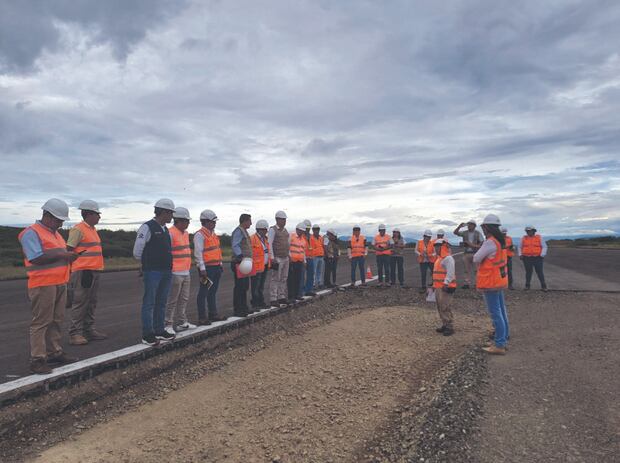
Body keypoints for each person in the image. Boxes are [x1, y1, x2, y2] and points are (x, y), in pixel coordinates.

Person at [18, 199, 79, 374]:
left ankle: (54, 352)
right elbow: (35, 257)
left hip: (60, 282)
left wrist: (67, 256)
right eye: (58, 220)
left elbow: (57, 255)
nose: (60, 223)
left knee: (57, 319)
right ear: (47, 215)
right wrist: (62, 254)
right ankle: (37, 359)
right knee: (41, 322)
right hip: (42, 283)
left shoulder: (56, 234)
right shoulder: (31, 233)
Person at [133, 199, 177, 346]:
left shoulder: (165, 230)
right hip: (152, 270)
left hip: (166, 270)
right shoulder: (147, 227)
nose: (172, 216)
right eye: (171, 213)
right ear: (163, 212)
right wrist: (145, 263)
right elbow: (137, 249)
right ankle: (148, 333)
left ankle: (159, 330)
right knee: (149, 302)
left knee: (161, 302)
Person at [67, 200, 107, 346]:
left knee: (91, 302)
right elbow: (69, 250)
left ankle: (88, 330)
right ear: (89, 214)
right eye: (97, 214)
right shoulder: (78, 229)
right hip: (83, 271)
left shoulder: (92, 229)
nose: (99, 217)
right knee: (80, 303)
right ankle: (75, 334)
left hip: (94, 270)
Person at [474, 214, 509, 355]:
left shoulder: (490, 242)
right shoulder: (501, 241)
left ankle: (499, 345)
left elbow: (476, 258)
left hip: (490, 282)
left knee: (496, 313)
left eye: (483, 226)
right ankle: (503, 339)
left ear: (487, 227)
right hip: (499, 281)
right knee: (502, 311)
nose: (482, 229)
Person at [164, 207, 196, 334]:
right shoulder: (170, 233)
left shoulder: (186, 233)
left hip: (185, 271)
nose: (188, 223)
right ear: (179, 221)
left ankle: (182, 322)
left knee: (184, 299)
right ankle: (168, 324)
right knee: (172, 300)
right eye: (186, 221)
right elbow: (166, 252)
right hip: (175, 272)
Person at [194, 209, 225, 325]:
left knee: (213, 291)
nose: (215, 223)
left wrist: (220, 264)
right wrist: (202, 269)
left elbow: (217, 250)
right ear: (206, 222)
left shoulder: (213, 234)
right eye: (213, 221)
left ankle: (213, 314)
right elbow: (198, 253)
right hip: (206, 269)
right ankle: (202, 317)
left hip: (216, 267)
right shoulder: (200, 235)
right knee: (203, 292)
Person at [432, 239, 457, 336]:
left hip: (446, 287)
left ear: (443, 247)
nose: (436, 248)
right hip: (439, 287)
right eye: (435, 246)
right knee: (440, 306)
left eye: (438, 246)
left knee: (445, 306)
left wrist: (446, 283)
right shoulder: (440, 258)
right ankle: (445, 324)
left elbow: (450, 273)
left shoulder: (448, 258)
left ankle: (449, 326)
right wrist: (434, 286)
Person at [231, 214, 253, 316]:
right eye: (249, 221)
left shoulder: (244, 231)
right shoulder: (239, 231)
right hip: (240, 262)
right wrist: (240, 256)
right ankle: (238, 309)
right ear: (244, 221)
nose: (251, 223)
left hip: (245, 263)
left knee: (244, 286)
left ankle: (244, 307)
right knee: (240, 286)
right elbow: (235, 245)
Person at [268, 211, 290, 307]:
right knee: (275, 278)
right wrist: (272, 257)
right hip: (277, 257)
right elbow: (270, 244)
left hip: (285, 257)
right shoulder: (273, 230)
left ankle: (282, 296)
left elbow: (287, 244)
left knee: (284, 278)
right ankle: (273, 298)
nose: (284, 221)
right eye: (282, 219)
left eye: (285, 219)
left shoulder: (285, 231)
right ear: (277, 219)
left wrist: (289, 255)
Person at [453, 220, 484, 288]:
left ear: (474, 226)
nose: (469, 226)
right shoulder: (464, 233)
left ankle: (477, 283)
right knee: (466, 269)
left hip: (475, 253)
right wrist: (459, 226)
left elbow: (482, 242)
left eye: (471, 224)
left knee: (476, 270)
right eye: (468, 224)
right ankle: (466, 283)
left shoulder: (478, 233)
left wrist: (474, 245)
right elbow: (455, 232)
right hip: (466, 253)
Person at [519, 225, 548, 291]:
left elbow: (544, 246)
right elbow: (519, 247)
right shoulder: (523, 238)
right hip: (527, 258)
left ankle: (544, 286)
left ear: (534, 231)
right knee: (528, 272)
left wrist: (542, 255)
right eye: (527, 231)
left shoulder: (539, 238)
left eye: (530, 231)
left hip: (537, 258)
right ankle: (527, 286)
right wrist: (520, 254)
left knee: (539, 272)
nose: (529, 232)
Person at [250, 219, 270, 310]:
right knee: (255, 287)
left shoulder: (265, 239)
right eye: (265, 230)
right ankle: (255, 303)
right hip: (256, 267)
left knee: (261, 286)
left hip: (264, 265)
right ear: (260, 229)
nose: (266, 231)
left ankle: (261, 302)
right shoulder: (252, 239)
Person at [287, 223, 308, 302]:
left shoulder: (303, 239)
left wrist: (304, 261)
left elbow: (303, 251)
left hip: (300, 261)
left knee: (298, 279)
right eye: (301, 231)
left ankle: (296, 295)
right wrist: (289, 257)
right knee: (291, 280)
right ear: (297, 229)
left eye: (303, 231)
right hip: (292, 261)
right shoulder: (291, 236)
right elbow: (287, 247)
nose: (302, 232)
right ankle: (291, 296)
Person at [301, 219, 315, 297]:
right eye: (306, 228)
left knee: (311, 275)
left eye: (309, 228)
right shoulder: (301, 237)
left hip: (311, 258)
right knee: (302, 276)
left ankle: (309, 290)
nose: (308, 229)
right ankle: (302, 291)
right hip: (303, 258)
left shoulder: (311, 237)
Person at [310, 224, 325, 290]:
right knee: (314, 271)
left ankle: (319, 283)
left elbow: (322, 246)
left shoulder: (321, 238)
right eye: (315, 229)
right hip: (314, 257)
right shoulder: (311, 238)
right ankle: (313, 284)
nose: (317, 231)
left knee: (320, 271)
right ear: (313, 230)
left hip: (321, 256)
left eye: (318, 229)